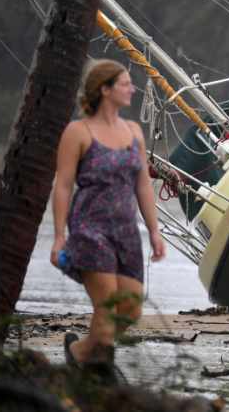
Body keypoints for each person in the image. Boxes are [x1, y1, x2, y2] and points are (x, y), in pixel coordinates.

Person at [50, 59, 165, 368]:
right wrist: (59, 236)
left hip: (126, 232)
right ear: (105, 89)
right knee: (107, 305)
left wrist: (154, 231)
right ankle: (98, 371)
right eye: (125, 83)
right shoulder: (78, 131)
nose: (132, 88)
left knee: (130, 310)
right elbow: (62, 186)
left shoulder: (134, 132)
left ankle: (80, 353)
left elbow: (143, 185)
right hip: (90, 230)